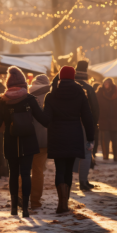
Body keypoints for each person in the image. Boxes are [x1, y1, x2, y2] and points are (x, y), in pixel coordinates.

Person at [0, 66, 48, 217]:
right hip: (28, 142)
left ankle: (14, 207)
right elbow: (43, 120)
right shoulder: (30, 99)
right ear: (23, 83)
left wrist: (7, 120)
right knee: (26, 173)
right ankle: (26, 208)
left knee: (13, 174)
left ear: (8, 84)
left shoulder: (2, 100)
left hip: (10, 142)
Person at [43, 66, 95, 212]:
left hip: (57, 135)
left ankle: (62, 202)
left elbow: (46, 120)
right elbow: (87, 116)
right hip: (74, 134)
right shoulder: (80, 94)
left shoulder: (51, 95)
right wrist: (90, 137)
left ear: (59, 77)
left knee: (59, 168)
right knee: (68, 170)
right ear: (73, 77)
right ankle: (65, 202)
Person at [18, 74, 50, 209]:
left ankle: (21, 196)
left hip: (27, 137)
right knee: (38, 171)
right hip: (43, 139)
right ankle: (35, 201)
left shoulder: (26, 96)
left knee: (24, 169)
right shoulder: (50, 97)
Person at [74, 60, 100, 190]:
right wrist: (93, 124)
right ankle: (83, 181)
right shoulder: (89, 89)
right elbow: (95, 109)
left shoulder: (68, 87)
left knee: (70, 152)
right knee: (86, 153)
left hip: (69, 124)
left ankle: (67, 182)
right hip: (85, 125)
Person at [96, 77, 117, 161]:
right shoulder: (100, 92)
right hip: (104, 120)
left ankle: (116, 156)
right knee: (104, 139)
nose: (106, 85)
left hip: (116, 120)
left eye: (108, 83)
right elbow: (95, 104)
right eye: (105, 83)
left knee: (116, 139)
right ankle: (105, 156)